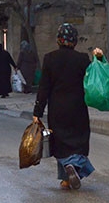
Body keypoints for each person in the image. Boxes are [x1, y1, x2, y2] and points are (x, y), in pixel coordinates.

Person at [32, 23, 99, 191]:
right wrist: (99, 59)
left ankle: (66, 176)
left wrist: (37, 112)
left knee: (61, 142)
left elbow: (44, 88)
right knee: (79, 141)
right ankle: (71, 172)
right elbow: (93, 80)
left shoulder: (49, 58)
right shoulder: (82, 59)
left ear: (58, 40)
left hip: (57, 108)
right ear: (75, 41)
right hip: (78, 108)